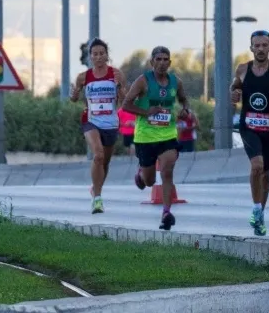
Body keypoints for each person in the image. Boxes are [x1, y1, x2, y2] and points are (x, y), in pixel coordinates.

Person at [230, 30, 269, 237]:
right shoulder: (242, 69)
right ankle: (256, 208)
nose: (260, 49)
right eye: (256, 45)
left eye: (264, 45)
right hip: (248, 126)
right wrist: (235, 94)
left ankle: (260, 214)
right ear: (251, 48)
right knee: (257, 166)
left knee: (266, 173)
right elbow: (234, 88)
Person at [121, 46, 187, 231]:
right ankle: (141, 174)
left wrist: (185, 109)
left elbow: (183, 99)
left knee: (167, 171)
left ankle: (166, 213)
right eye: (158, 59)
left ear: (170, 62)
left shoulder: (176, 82)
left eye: (165, 59)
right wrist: (146, 112)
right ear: (152, 62)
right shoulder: (143, 81)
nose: (162, 63)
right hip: (145, 137)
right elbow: (126, 104)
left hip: (168, 135)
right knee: (150, 181)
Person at [70, 38, 124, 214]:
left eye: (102, 53)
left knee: (105, 162)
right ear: (90, 57)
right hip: (90, 120)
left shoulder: (116, 74)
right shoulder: (83, 77)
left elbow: (124, 100)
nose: (99, 57)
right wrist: (74, 93)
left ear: (107, 56)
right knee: (98, 155)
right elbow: (74, 98)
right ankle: (97, 199)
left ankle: (95, 189)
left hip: (110, 122)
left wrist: (120, 87)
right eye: (95, 54)